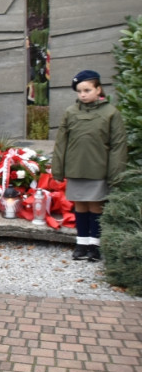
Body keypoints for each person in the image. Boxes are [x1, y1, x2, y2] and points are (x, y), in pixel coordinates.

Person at [51, 69, 127, 262]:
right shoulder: (71, 112)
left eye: (87, 90)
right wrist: (58, 168)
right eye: (79, 91)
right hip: (76, 168)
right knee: (80, 205)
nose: (83, 94)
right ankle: (81, 243)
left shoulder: (111, 113)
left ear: (98, 89)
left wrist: (115, 172)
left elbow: (118, 145)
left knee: (96, 206)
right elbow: (61, 142)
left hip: (98, 168)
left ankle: (95, 245)